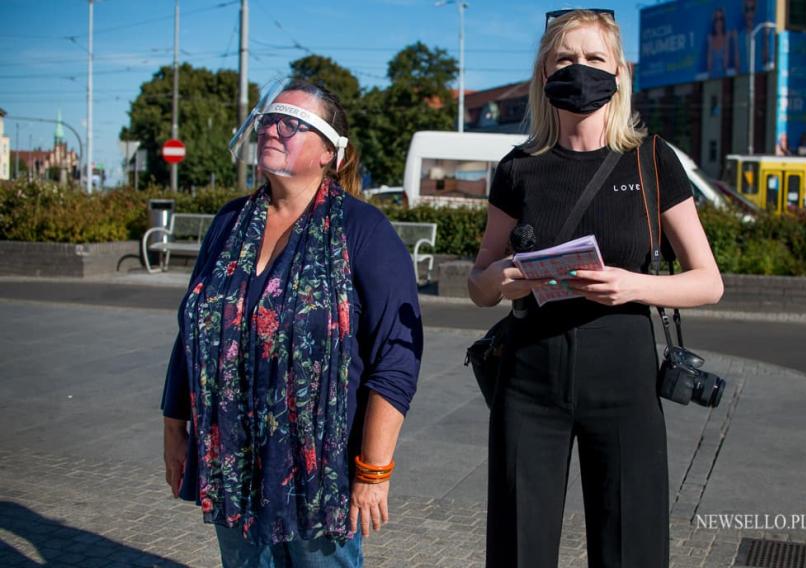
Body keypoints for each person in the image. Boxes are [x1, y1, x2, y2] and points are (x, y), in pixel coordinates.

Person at [468, 10, 724, 568]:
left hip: (624, 379)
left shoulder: (653, 160)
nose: (578, 70)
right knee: (519, 546)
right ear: (543, 72)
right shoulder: (518, 168)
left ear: (619, 72)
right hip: (530, 380)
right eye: (564, 59)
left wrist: (633, 285)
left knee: (631, 545)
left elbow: (709, 282)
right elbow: (479, 284)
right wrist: (500, 280)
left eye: (593, 59)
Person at [161, 79, 423, 568]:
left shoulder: (363, 231)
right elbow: (191, 329)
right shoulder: (229, 222)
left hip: (317, 477)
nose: (274, 128)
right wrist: (175, 427)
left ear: (331, 153)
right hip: (231, 464)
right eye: (269, 118)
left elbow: (396, 355)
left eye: (294, 122)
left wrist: (374, 471)